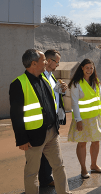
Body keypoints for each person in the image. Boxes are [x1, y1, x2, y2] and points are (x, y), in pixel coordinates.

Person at [9, 49, 71, 194]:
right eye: (44, 60)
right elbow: (16, 115)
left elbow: (51, 102)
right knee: (32, 172)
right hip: (33, 136)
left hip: (51, 133)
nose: (46, 63)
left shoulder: (45, 79)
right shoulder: (18, 84)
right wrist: (22, 139)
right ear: (34, 63)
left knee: (59, 166)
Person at [67, 59, 101, 179]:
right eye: (87, 68)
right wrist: (78, 119)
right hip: (83, 119)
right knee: (82, 143)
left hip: (96, 117)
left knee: (96, 141)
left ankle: (94, 165)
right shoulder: (76, 83)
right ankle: (83, 168)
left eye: (91, 68)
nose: (89, 70)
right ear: (82, 68)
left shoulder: (96, 81)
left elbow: (100, 97)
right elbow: (74, 103)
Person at [38, 49, 68, 187]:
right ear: (49, 61)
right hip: (43, 121)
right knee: (37, 153)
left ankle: (46, 178)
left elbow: (53, 94)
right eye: (57, 62)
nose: (58, 65)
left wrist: (61, 89)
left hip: (53, 120)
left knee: (50, 153)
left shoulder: (51, 76)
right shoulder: (39, 76)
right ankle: (37, 182)